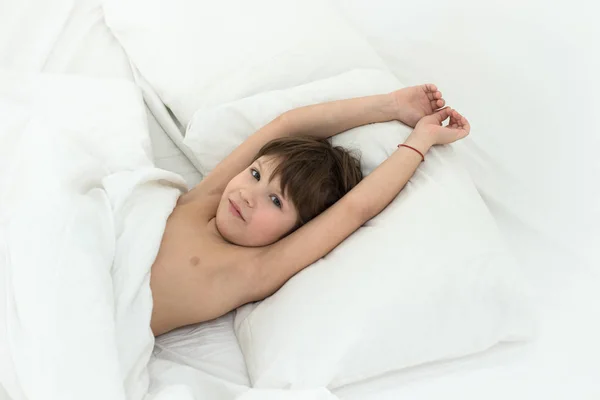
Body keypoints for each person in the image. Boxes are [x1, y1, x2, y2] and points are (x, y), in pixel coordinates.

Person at [149, 84, 470, 336]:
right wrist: (392, 105)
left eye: (276, 201)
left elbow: (355, 208)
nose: (249, 195)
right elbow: (285, 125)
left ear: (296, 229)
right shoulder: (203, 199)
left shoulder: (253, 268)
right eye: (256, 174)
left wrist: (421, 139)